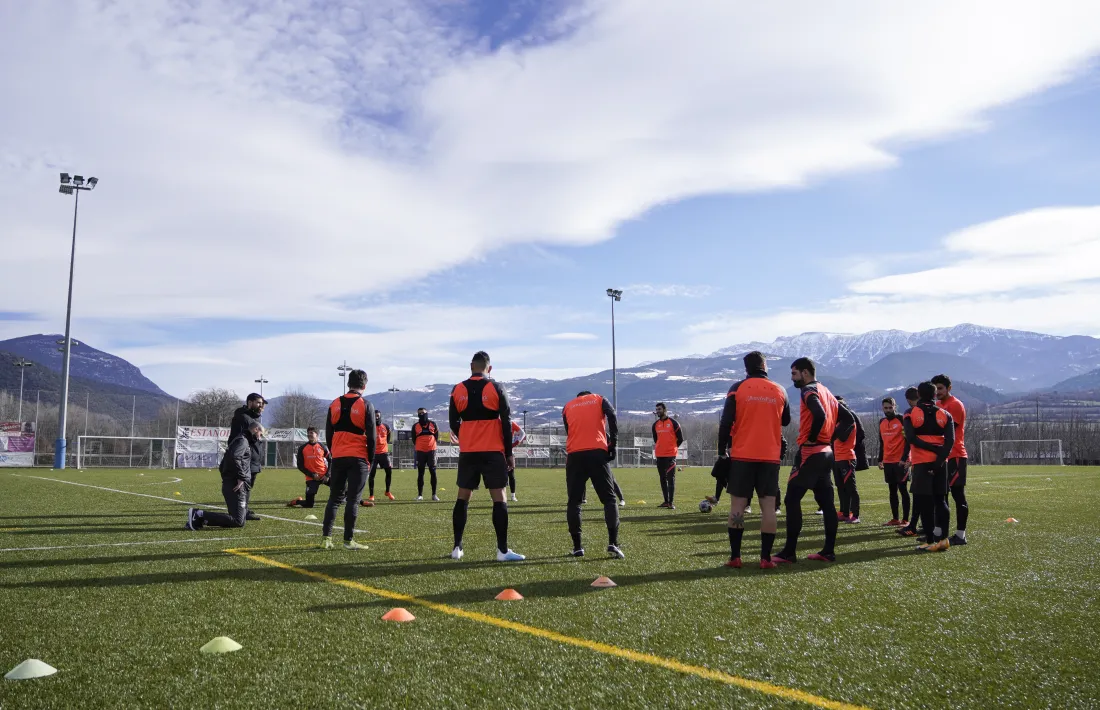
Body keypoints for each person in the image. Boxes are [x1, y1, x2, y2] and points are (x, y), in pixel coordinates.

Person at [717, 351, 791, 569]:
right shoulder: (780, 390)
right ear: (765, 366)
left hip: (742, 456)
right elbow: (786, 420)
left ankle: (735, 557)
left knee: (738, 507)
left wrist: (722, 451)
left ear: (746, 369)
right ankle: (766, 558)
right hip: (770, 457)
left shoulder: (737, 388)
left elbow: (726, 422)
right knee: (768, 507)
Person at [448, 351, 524, 562]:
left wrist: (469, 434)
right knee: (499, 497)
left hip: (468, 451)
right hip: (492, 451)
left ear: (471, 366)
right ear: (489, 368)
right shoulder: (496, 387)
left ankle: (457, 547)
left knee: (462, 497)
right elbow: (507, 422)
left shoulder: (458, 389)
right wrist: (509, 453)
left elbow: (454, 423)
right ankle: (502, 551)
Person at [773, 357, 839, 564]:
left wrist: (812, 437)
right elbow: (847, 417)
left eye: (794, 373)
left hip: (812, 452)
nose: (792, 378)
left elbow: (818, 415)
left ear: (805, 373)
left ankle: (789, 552)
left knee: (791, 499)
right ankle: (827, 551)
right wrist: (828, 438)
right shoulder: (827, 391)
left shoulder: (808, 390)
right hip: (826, 452)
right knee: (827, 504)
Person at [562, 390, 624, 558]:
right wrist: (613, 443)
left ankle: (577, 547)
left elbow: (569, 429)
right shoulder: (598, 399)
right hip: (597, 452)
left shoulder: (568, 406)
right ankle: (613, 543)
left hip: (575, 455)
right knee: (609, 499)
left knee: (574, 502)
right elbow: (612, 415)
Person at [320, 369, 376, 550]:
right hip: (358, 457)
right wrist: (370, 459)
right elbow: (372, 437)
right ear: (364, 386)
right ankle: (348, 540)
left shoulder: (334, 403)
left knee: (334, 499)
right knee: (352, 500)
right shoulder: (365, 404)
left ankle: (326, 539)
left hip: (338, 456)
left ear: (348, 384)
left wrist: (334, 451)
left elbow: (328, 433)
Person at [904, 381, 955, 552]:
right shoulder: (945, 414)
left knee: (925, 502)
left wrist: (930, 449)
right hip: (941, 463)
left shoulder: (910, 413)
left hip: (921, 462)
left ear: (919, 394)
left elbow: (910, 438)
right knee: (941, 500)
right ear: (934, 395)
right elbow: (950, 442)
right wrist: (939, 459)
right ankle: (944, 539)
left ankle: (930, 540)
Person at [186, 421, 262, 530]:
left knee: (240, 519)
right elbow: (234, 457)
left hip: (232, 482)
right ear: (255, 430)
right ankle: (199, 514)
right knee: (238, 521)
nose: (260, 437)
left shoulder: (241, 440)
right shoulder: (242, 441)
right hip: (235, 483)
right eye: (260, 434)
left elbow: (226, 462)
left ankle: (199, 518)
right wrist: (241, 477)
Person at [932, 374, 969, 546]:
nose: (937, 392)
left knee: (957, 495)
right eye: (935, 388)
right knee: (940, 496)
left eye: (940, 388)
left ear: (949, 388)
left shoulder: (955, 405)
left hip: (955, 456)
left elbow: (948, 432)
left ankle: (960, 535)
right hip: (942, 457)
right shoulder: (938, 405)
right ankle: (938, 532)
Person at [228, 393, 266, 520]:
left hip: (252, 459)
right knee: (243, 485)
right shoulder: (243, 417)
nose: (262, 406)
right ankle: (240, 511)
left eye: (262, 403)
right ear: (250, 402)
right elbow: (238, 440)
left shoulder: (250, 418)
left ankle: (244, 510)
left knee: (247, 486)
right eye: (259, 403)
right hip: (246, 459)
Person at [898, 387, 927, 537]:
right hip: (937, 458)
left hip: (920, 459)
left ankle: (915, 526)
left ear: (908, 400)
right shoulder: (934, 411)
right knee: (933, 495)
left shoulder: (910, 413)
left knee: (918, 493)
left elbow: (910, 438)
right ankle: (927, 525)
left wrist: (905, 457)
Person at [877, 397, 911, 526]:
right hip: (888, 461)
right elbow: (882, 443)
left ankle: (906, 520)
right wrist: (881, 459)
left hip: (900, 462)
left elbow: (908, 440)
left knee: (903, 490)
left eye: (890, 408)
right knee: (892, 491)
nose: (888, 410)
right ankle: (895, 518)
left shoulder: (902, 419)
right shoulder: (881, 422)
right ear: (882, 408)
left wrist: (906, 458)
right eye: (886, 408)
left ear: (895, 407)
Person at [832, 396, 863, 524]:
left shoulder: (849, 422)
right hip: (838, 458)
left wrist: (832, 430)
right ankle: (845, 513)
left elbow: (843, 438)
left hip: (847, 458)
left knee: (851, 488)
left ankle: (855, 515)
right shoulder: (838, 422)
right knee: (841, 487)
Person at [288, 426, 331, 508]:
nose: (309, 434)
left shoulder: (322, 446)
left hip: (324, 475)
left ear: (317, 435)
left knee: (341, 488)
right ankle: (297, 501)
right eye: (308, 433)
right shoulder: (302, 448)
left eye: (311, 433)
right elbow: (300, 466)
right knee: (309, 504)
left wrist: (327, 475)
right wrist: (312, 475)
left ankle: (356, 500)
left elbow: (331, 460)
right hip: (311, 478)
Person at [652, 402, 684, 509]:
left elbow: (680, 439)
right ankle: (665, 501)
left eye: (659, 409)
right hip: (659, 455)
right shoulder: (655, 425)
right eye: (656, 409)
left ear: (665, 410)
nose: (657, 411)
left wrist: (672, 448)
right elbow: (656, 440)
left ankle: (671, 502)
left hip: (670, 455)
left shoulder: (674, 423)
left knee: (671, 478)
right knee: (662, 478)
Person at [366, 411, 395, 503]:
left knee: (389, 472)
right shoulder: (369, 427)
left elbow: (388, 439)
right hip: (373, 454)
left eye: (378, 416)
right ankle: (371, 495)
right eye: (374, 416)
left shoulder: (386, 427)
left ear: (380, 416)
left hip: (384, 453)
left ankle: (387, 491)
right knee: (372, 474)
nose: (376, 417)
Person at [413, 408, 440, 501]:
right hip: (420, 451)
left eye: (423, 413)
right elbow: (414, 439)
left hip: (431, 451)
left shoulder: (433, 424)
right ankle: (420, 495)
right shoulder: (415, 426)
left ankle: (434, 495)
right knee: (421, 473)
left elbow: (436, 436)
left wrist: (431, 445)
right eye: (419, 413)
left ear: (427, 413)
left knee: (433, 472)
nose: (421, 414)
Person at [507, 420, 525, 502]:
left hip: (508, 452)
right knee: (497, 475)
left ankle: (513, 495)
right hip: (497, 451)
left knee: (511, 474)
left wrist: (516, 443)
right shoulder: (495, 421)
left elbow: (522, 433)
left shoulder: (511, 423)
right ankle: (496, 494)